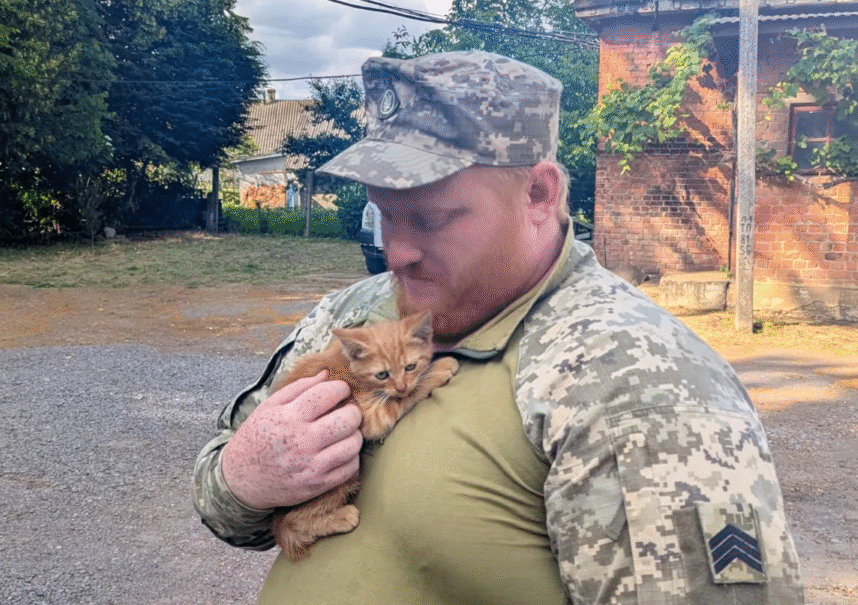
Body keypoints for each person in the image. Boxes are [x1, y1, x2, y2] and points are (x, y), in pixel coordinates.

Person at [193, 51, 804, 604]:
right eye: (384, 215)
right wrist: (244, 479)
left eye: (430, 217)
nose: (396, 252)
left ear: (539, 193)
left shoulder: (637, 380)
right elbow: (223, 503)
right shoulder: (355, 312)